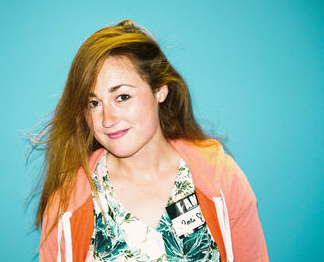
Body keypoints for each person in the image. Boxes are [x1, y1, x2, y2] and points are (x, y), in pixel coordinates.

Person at [34, 20, 269, 261]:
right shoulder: (68, 201)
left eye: (122, 96)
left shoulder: (220, 179)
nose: (107, 119)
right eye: (94, 103)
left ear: (160, 90)